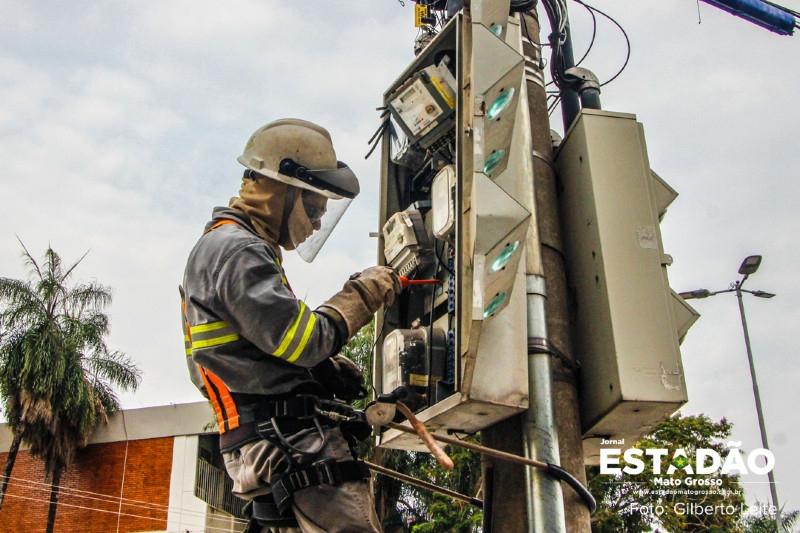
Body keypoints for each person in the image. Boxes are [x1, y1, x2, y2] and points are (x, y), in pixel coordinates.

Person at [181, 118, 401, 532]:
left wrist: (322, 372)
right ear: (280, 188)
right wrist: (364, 292)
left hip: (264, 444)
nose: (317, 224)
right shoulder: (238, 251)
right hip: (291, 442)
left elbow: (248, 354)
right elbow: (305, 341)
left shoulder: (222, 248)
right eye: (314, 208)